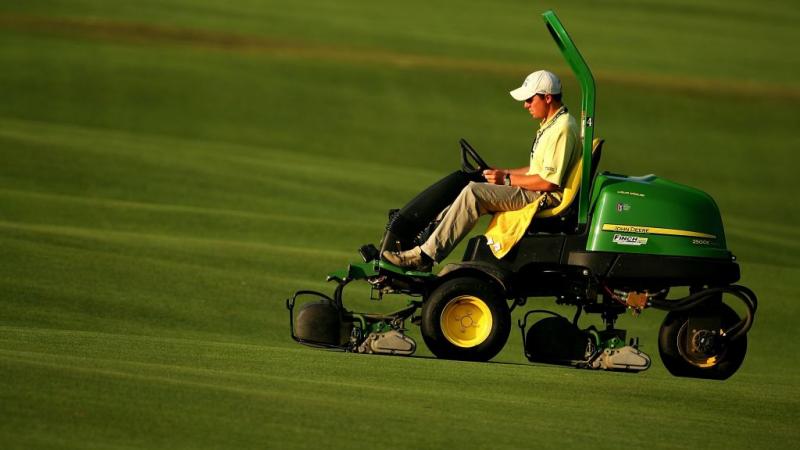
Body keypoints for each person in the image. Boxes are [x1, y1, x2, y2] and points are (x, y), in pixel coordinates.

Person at [382, 70, 579, 271]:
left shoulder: (562, 128)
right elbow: (536, 168)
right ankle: (423, 239)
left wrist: (507, 179)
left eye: (530, 99)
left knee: (474, 193)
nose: (525, 105)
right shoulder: (552, 124)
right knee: (469, 186)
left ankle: (424, 256)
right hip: (538, 190)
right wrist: (502, 173)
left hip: (544, 196)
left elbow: (548, 182)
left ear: (547, 98)